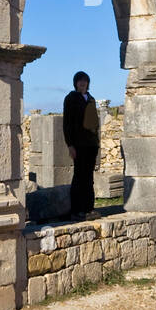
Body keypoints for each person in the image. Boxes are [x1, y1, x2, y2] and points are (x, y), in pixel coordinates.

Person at [62, 70, 100, 218]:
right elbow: (67, 124)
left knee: (89, 177)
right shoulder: (70, 98)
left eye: (85, 81)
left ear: (88, 83)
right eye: (80, 81)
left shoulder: (91, 99)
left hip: (91, 145)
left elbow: (94, 123)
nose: (82, 83)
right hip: (78, 144)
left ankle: (89, 208)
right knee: (79, 177)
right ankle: (77, 210)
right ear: (76, 83)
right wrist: (70, 145)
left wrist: (96, 142)